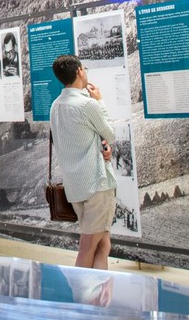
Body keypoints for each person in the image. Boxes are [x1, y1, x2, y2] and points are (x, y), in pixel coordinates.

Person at [49, 54, 116, 269]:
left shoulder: (56, 106)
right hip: (96, 185)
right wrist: (100, 101)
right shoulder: (88, 105)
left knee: (102, 245)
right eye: (84, 69)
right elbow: (110, 133)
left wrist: (101, 148)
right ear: (79, 71)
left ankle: (101, 289)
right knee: (88, 247)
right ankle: (79, 289)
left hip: (75, 186)